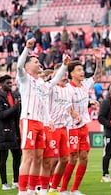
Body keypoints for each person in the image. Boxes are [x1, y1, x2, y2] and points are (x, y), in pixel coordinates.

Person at [16, 38, 68, 195]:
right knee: (28, 157)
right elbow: (18, 66)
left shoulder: (42, 84)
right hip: (28, 120)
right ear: (28, 66)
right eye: (36, 62)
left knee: (38, 157)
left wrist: (65, 65)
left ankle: (33, 189)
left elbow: (55, 80)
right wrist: (26, 48)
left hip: (40, 123)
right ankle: (22, 191)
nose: (39, 64)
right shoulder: (25, 79)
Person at [60, 50, 102, 195]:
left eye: (82, 69)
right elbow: (66, 105)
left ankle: (75, 189)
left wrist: (99, 60)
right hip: (71, 127)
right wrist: (74, 113)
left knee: (84, 158)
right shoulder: (68, 88)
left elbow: (98, 76)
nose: (82, 72)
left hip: (83, 126)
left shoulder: (84, 85)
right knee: (72, 157)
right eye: (78, 70)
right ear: (71, 73)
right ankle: (63, 188)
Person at [48, 62, 75, 194]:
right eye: (62, 72)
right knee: (51, 159)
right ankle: (43, 184)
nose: (64, 75)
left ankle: (53, 186)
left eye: (65, 72)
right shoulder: (51, 88)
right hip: (52, 127)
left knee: (65, 159)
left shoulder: (69, 89)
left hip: (64, 128)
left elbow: (70, 106)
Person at [0, 75, 21, 191]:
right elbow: (1, 115)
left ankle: (16, 181)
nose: (10, 85)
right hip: (3, 132)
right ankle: (4, 183)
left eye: (11, 83)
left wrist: (18, 107)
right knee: (3, 158)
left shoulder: (15, 95)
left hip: (15, 131)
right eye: (8, 83)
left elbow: (18, 113)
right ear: (1, 84)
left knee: (17, 156)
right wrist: (15, 107)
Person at [98, 83, 111, 183]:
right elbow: (100, 117)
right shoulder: (106, 102)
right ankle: (105, 174)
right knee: (107, 154)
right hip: (109, 133)